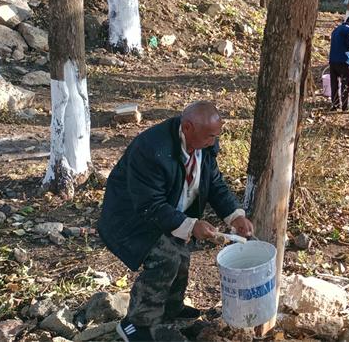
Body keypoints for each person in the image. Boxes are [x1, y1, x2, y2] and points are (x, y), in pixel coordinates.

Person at [98, 101, 254, 342]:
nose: (214, 142)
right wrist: (191, 225)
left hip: (166, 212)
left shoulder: (205, 143)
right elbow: (150, 204)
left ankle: (170, 314)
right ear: (188, 127)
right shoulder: (151, 149)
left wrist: (236, 216)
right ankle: (137, 323)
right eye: (209, 137)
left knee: (181, 255)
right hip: (132, 217)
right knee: (166, 257)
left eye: (216, 136)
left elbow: (214, 183)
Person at [329, 15, 349, 112]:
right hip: (345, 61)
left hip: (333, 61)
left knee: (334, 84)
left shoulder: (336, 30)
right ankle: (346, 107)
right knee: (346, 84)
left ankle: (335, 104)